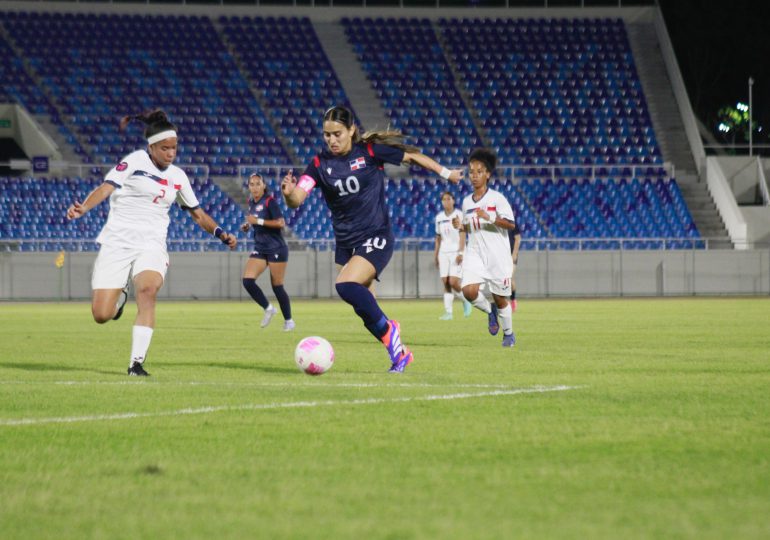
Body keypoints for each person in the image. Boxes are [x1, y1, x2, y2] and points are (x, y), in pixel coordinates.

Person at [281, 105, 463, 372]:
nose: (331, 139)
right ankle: (399, 354)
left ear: (351, 130)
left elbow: (413, 157)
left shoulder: (369, 152)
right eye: (326, 135)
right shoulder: (320, 164)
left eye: (337, 133)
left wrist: (446, 173)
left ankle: (391, 330)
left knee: (345, 285)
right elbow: (298, 198)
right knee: (364, 306)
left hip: (375, 235)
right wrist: (288, 193)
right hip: (346, 244)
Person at [66, 109, 237, 376]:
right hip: (118, 242)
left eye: (174, 148)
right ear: (151, 146)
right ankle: (121, 296)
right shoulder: (134, 161)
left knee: (147, 291)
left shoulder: (178, 177)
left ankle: (136, 363)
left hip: (152, 244)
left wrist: (220, 233)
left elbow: (198, 214)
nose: (171, 153)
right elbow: (107, 187)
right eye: (165, 148)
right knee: (101, 315)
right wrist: (84, 208)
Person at [452, 148, 517, 347]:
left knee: (500, 297)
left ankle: (508, 334)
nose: (474, 176)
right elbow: (470, 228)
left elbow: (511, 224)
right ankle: (490, 312)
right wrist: (460, 226)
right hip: (475, 252)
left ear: (487, 174)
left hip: (497, 255)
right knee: (468, 291)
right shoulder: (465, 202)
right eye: (471, 171)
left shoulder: (497, 198)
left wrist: (490, 217)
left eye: (479, 171)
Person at [240, 172, 294, 331]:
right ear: (248, 186)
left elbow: (280, 223)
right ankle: (268, 308)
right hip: (260, 247)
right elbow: (255, 219)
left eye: (258, 184)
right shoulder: (251, 201)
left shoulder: (270, 202)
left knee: (277, 286)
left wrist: (258, 221)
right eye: (252, 184)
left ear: (264, 185)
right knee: (247, 281)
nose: (255, 187)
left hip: (276, 248)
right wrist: (248, 225)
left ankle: (289, 321)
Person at [433, 191, 472, 320]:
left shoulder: (459, 215)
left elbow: (462, 234)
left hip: (456, 251)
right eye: (444, 199)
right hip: (443, 252)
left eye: (448, 199)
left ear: (453, 200)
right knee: (446, 282)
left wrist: (461, 252)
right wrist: (436, 254)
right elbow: (438, 237)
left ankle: (465, 300)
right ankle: (448, 312)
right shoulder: (439, 217)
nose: (446, 201)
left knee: (453, 281)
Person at [508, 224, 522, 312]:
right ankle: (505, 302)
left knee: (509, 278)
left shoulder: (513, 224)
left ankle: (513, 300)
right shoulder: (499, 223)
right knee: (504, 280)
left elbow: (518, 239)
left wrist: (514, 254)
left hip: (511, 255)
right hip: (502, 255)